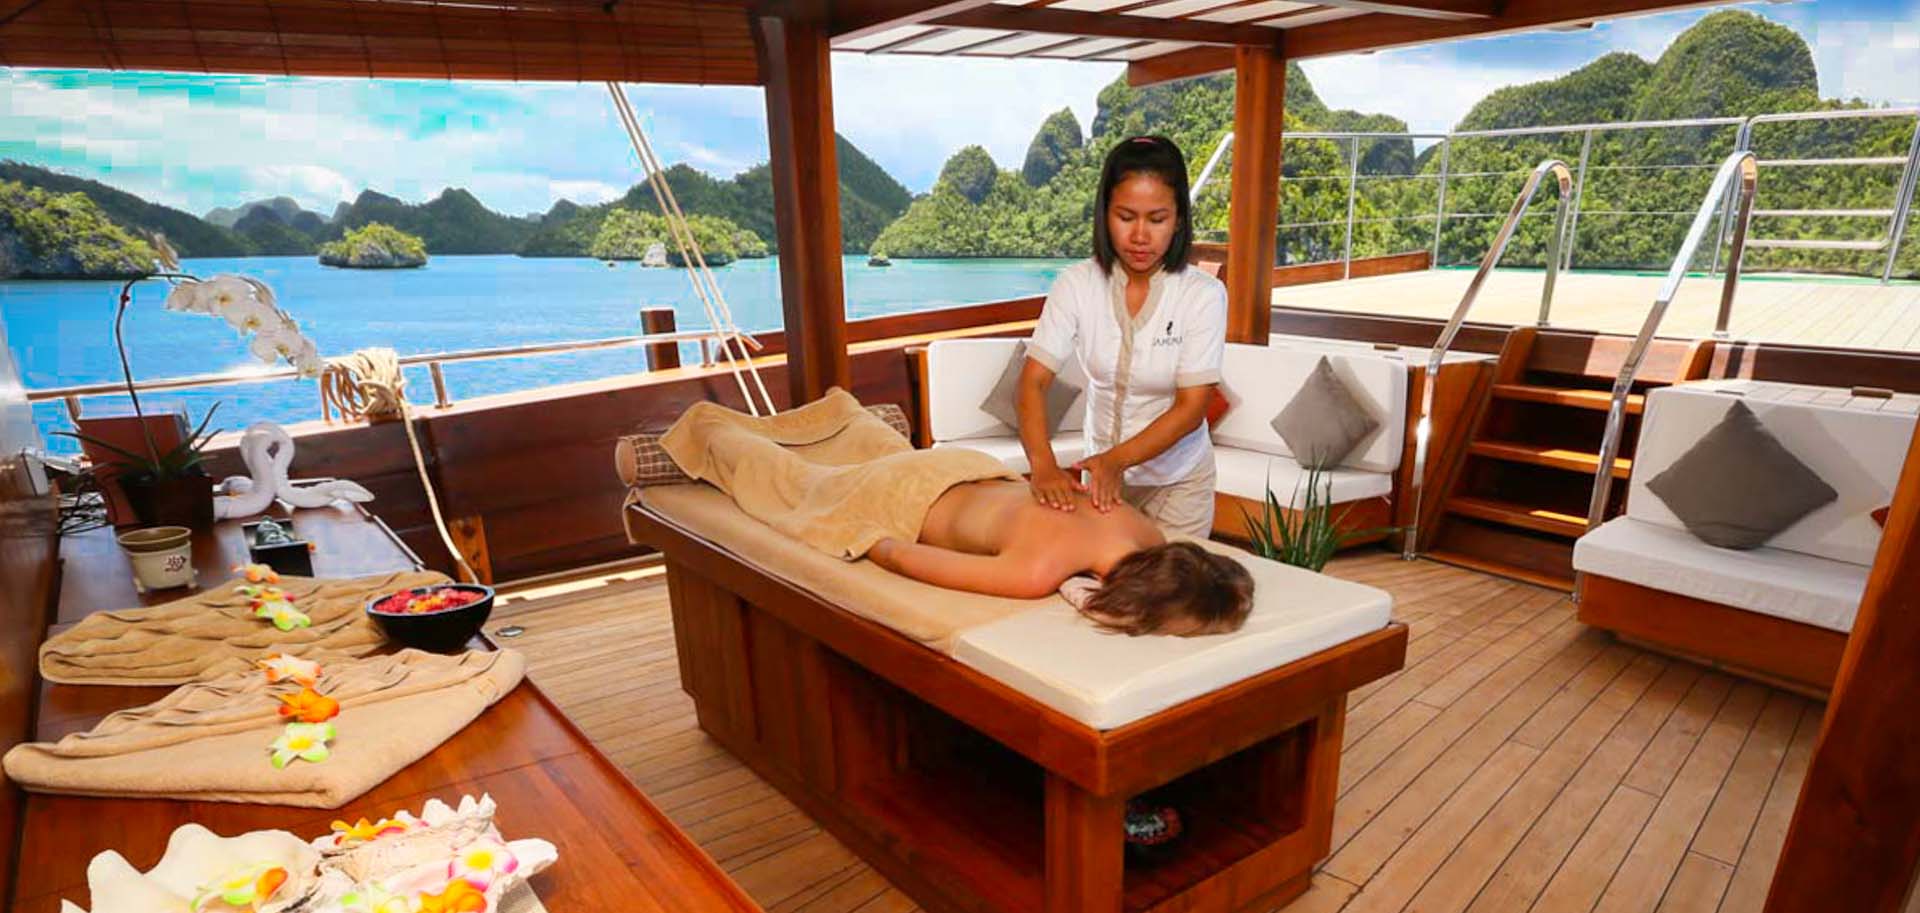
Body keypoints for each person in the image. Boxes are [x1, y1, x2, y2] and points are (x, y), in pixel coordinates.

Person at [1017, 135, 1227, 540]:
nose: (1140, 236)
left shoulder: (1203, 294)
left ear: (1179, 219)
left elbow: (1192, 408)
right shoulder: (1075, 284)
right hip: (1100, 482)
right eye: (1126, 216)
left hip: (1178, 482)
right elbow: (1032, 381)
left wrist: (1117, 461)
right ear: (1104, 214)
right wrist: (1042, 465)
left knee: (1171, 595)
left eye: (1157, 218)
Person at [866, 476, 1251, 637]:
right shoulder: (1036, 572)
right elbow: (896, 554)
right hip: (907, 490)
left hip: (974, 469)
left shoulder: (1145, 531)